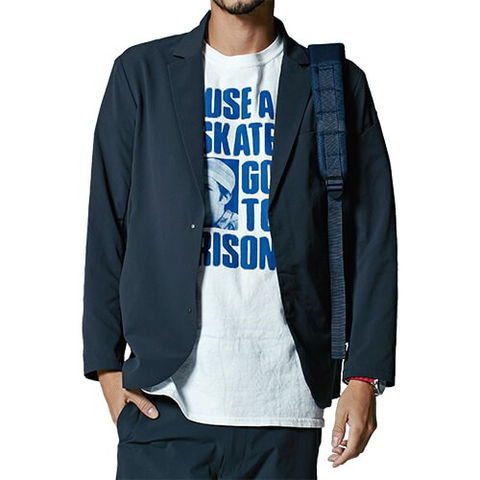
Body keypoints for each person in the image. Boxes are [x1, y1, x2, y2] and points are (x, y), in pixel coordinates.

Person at [82, 1, 398, 478]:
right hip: (164, 401)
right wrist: (107, 369)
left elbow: (372, 236)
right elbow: (108, 223)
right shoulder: (141, 74)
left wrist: (364, 374)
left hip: (284, 407)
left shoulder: (333, 83)